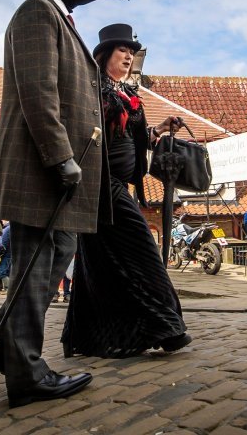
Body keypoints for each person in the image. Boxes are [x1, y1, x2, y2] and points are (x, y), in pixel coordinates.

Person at [0, 0, 129, 408]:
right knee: (35, 273)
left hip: (60, 181)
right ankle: (27, 374)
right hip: (42, 176)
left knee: (39, 273)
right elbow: (39, 93)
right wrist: (61, 157)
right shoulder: (36, 13)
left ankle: (10, 355)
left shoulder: (59, 19)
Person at [61, 23, 191, 359]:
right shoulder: (91, 89)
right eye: (123, 51)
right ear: (105, 55)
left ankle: (94, 336)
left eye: (132, 53)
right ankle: (167, 326)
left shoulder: (127, 94)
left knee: (100, 263)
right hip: (99, 185)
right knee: (144, 249)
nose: (129, 57)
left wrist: (158, 130)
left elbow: (129, 140)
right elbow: (85, 131)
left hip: (119, 186)